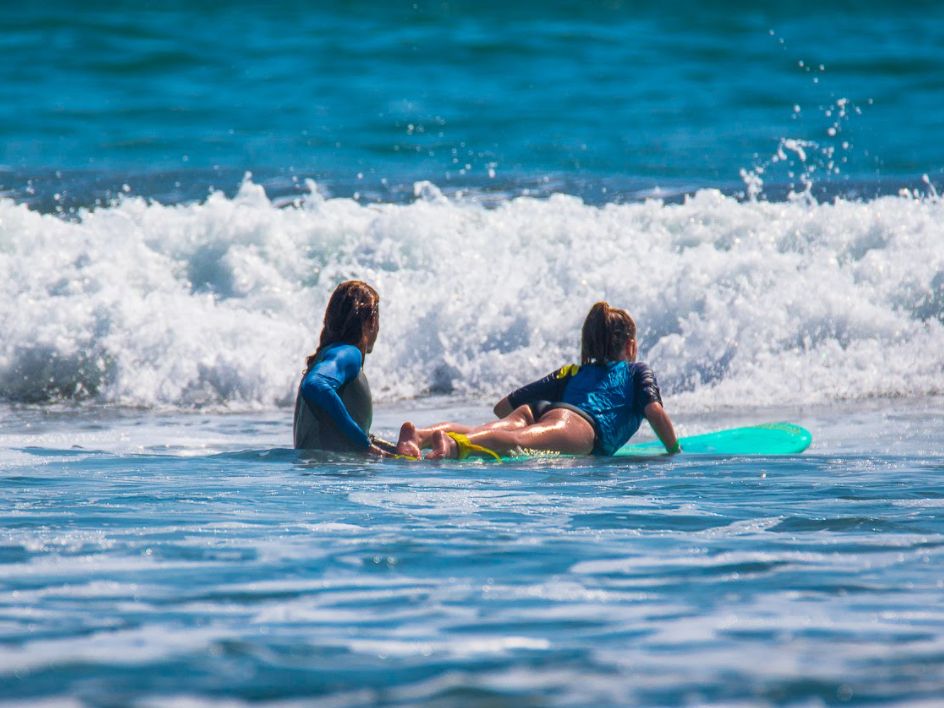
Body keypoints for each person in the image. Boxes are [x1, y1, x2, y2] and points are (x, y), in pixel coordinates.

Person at [396, 302, 680, 460]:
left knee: (485, 430)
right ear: (630, 346)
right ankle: (454, 446)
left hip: (539, 409)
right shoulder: (636, 370)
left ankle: (419, 436)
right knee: (516, 441)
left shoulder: (571, 372)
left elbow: (504, 406)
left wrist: (540, 424)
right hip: (578, 425)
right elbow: (654, 411)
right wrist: (673, 451)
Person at [293, 280, 394, 456]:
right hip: (334, 476)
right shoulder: (348, 353)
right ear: (371, 321)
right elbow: (314, 384)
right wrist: (364, 444)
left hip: (316, 477)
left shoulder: (328, 355)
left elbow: (340, 435)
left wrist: (393, 451)